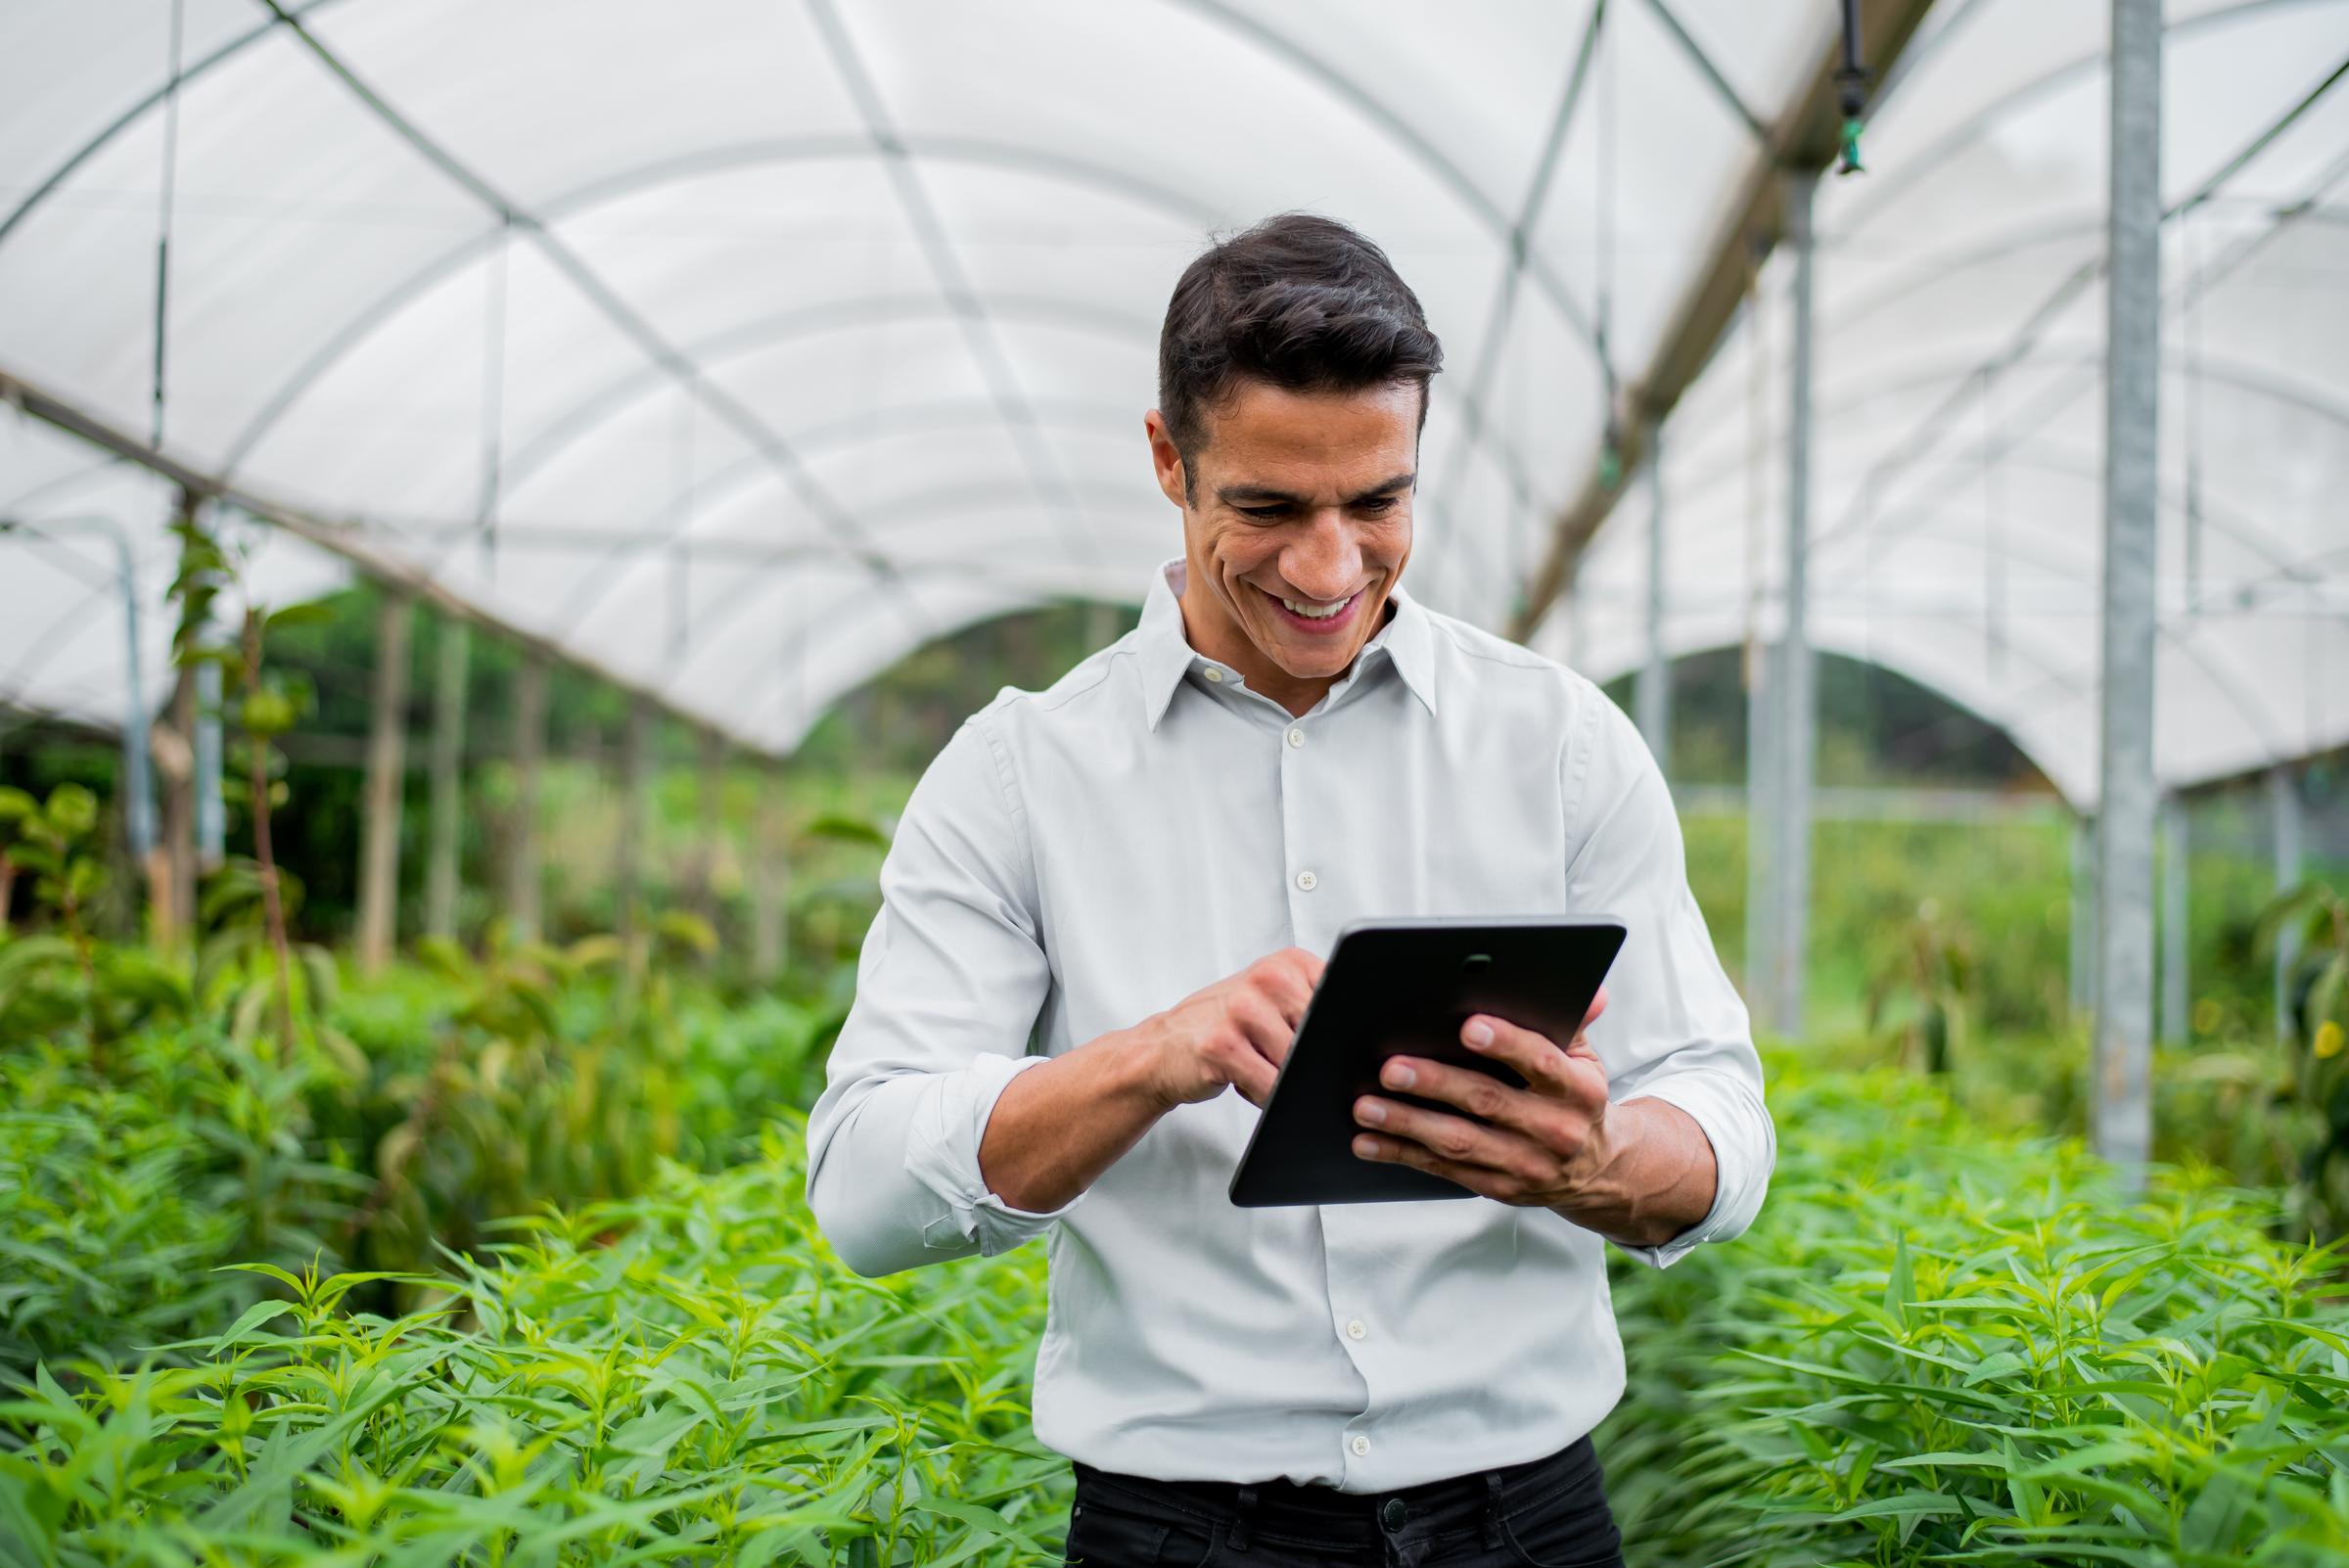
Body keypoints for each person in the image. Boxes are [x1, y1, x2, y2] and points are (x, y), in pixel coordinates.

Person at [805, 212, 1774, 1568]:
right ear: (1167, 457)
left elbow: (1724, 1116)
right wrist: (1154, 1055)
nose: (1329, 569)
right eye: (1267, 508)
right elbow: (860, 1182)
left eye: (1376, 502)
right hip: (1181, 1532)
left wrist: (1600, 1159)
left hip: (1527, 1518)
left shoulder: (1555, 741)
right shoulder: (1022, 772)